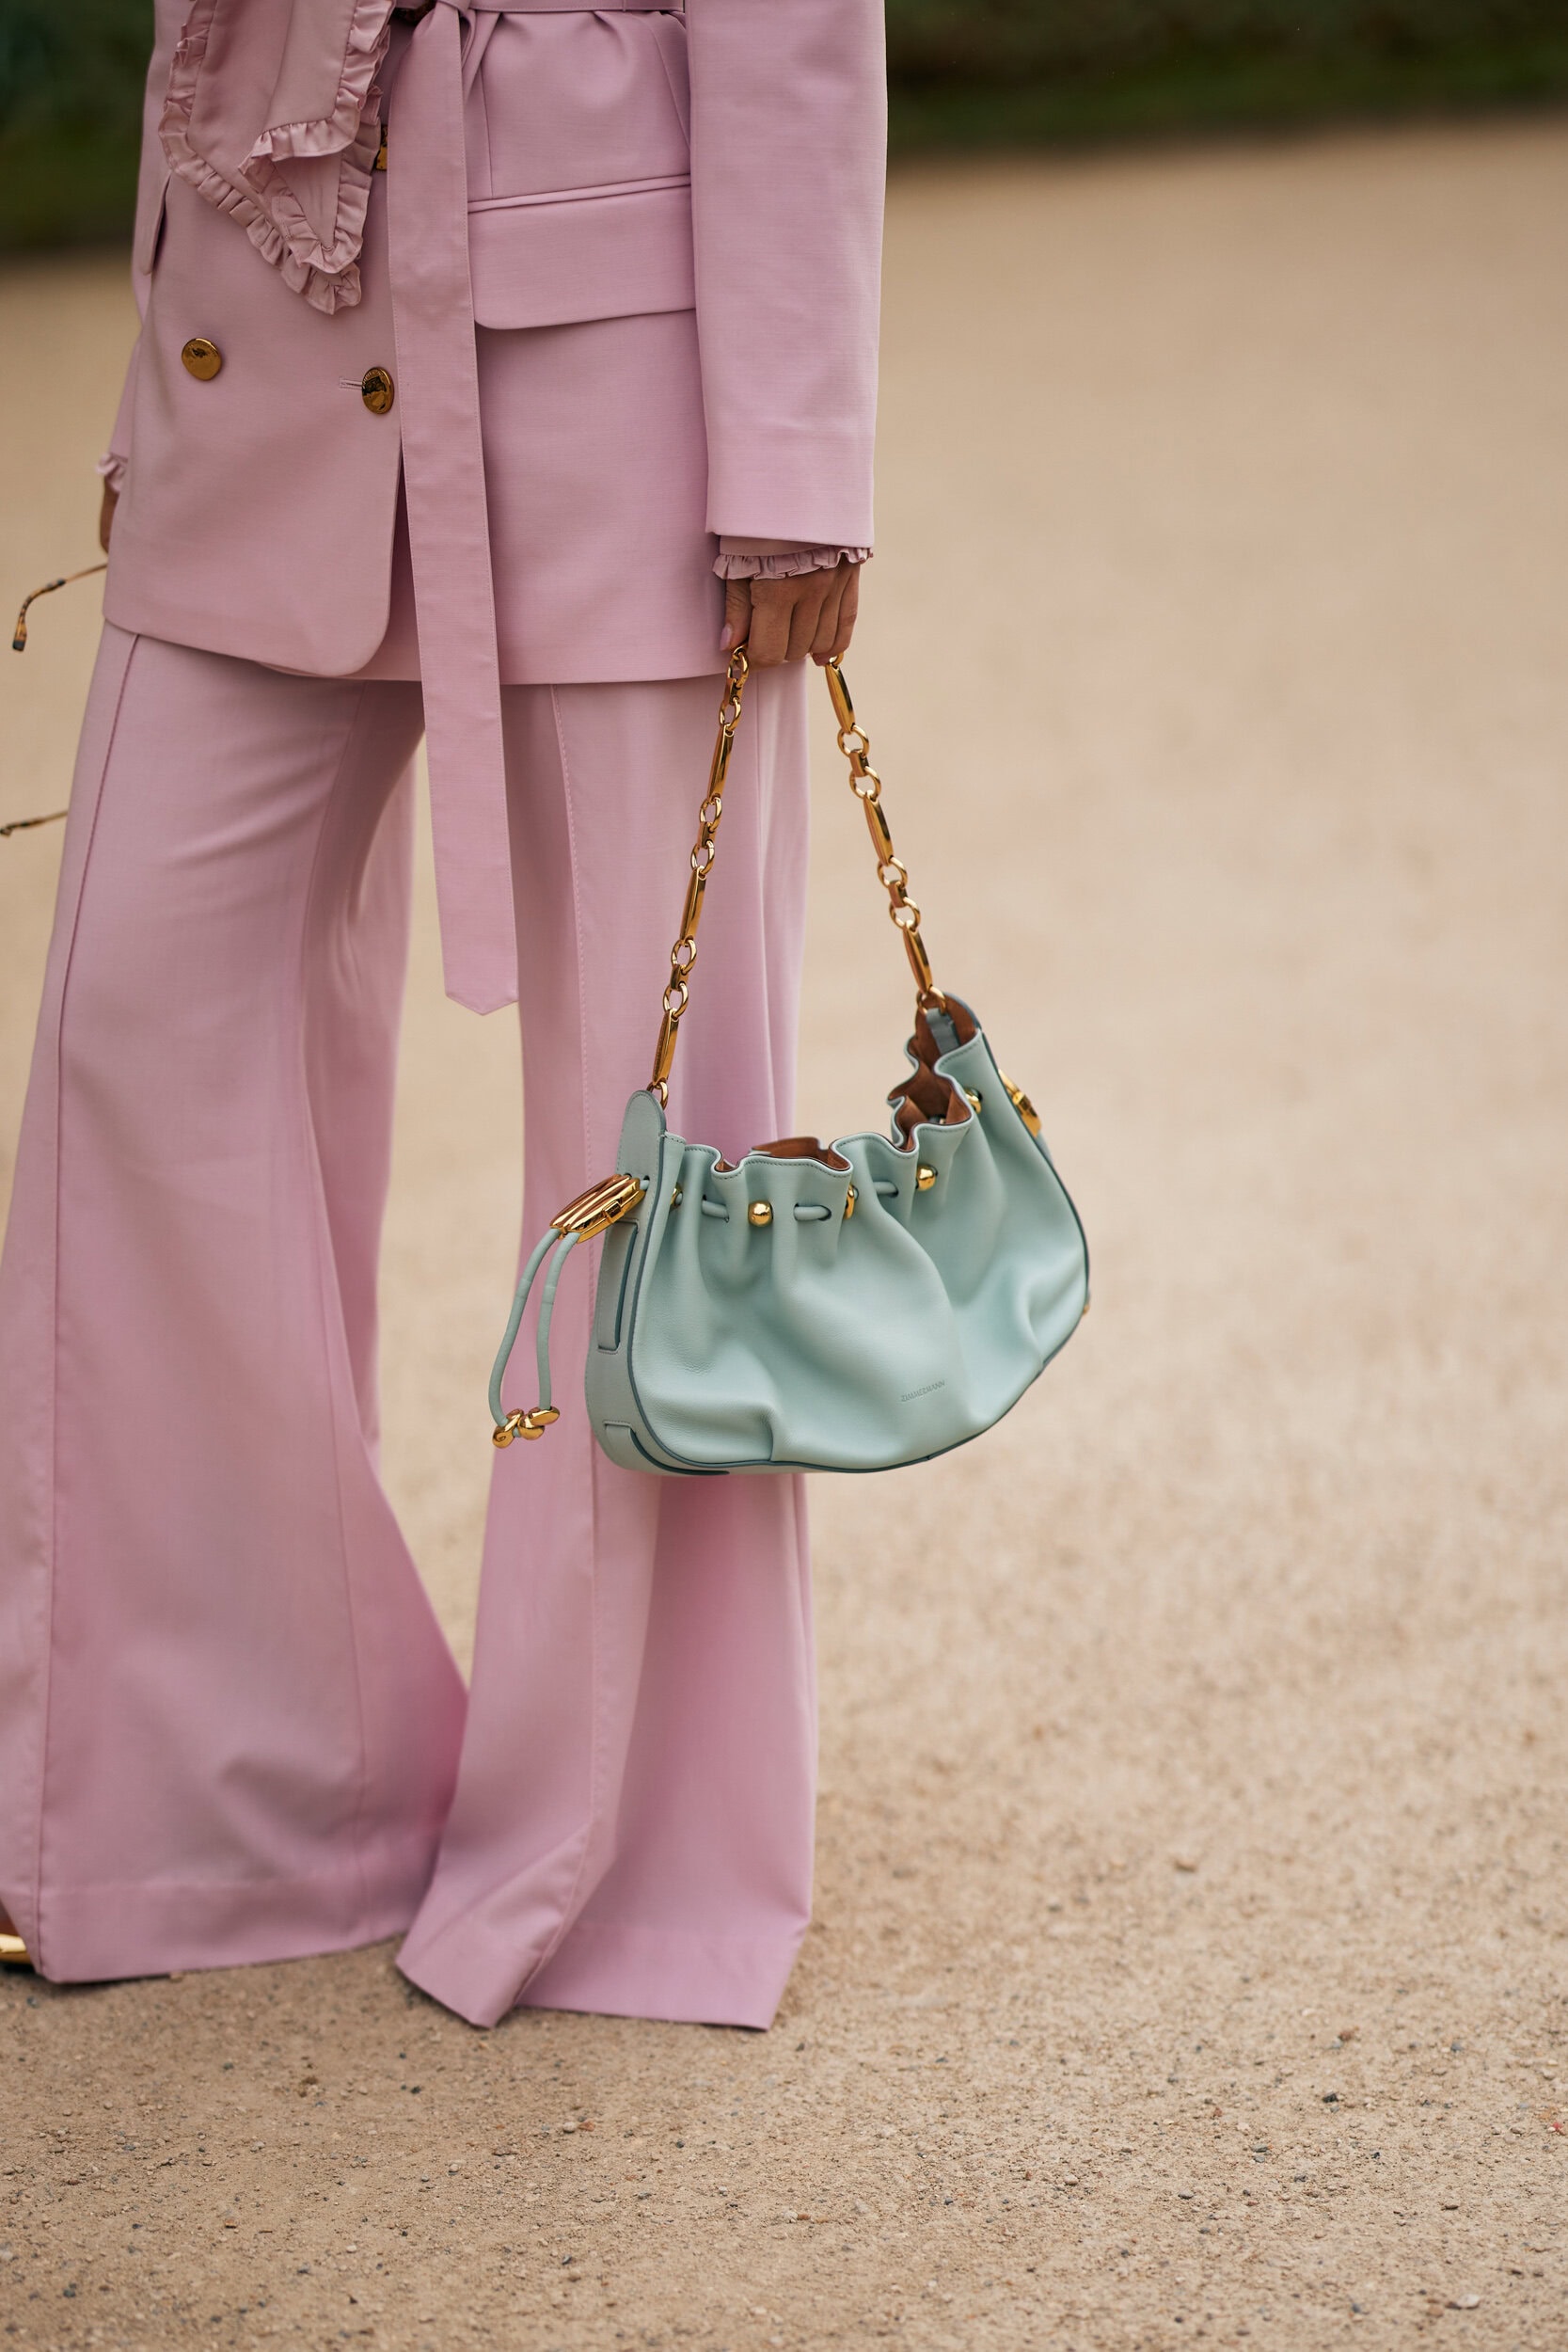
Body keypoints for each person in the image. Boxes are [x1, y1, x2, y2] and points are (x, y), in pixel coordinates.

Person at [0, 0, 883, 2029]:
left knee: (653, 1134)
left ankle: (631, 1843)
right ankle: (232, 1791)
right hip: (266, 310)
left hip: (621, 374)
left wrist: (792, 453)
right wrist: (152, 370)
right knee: (135, 1028)